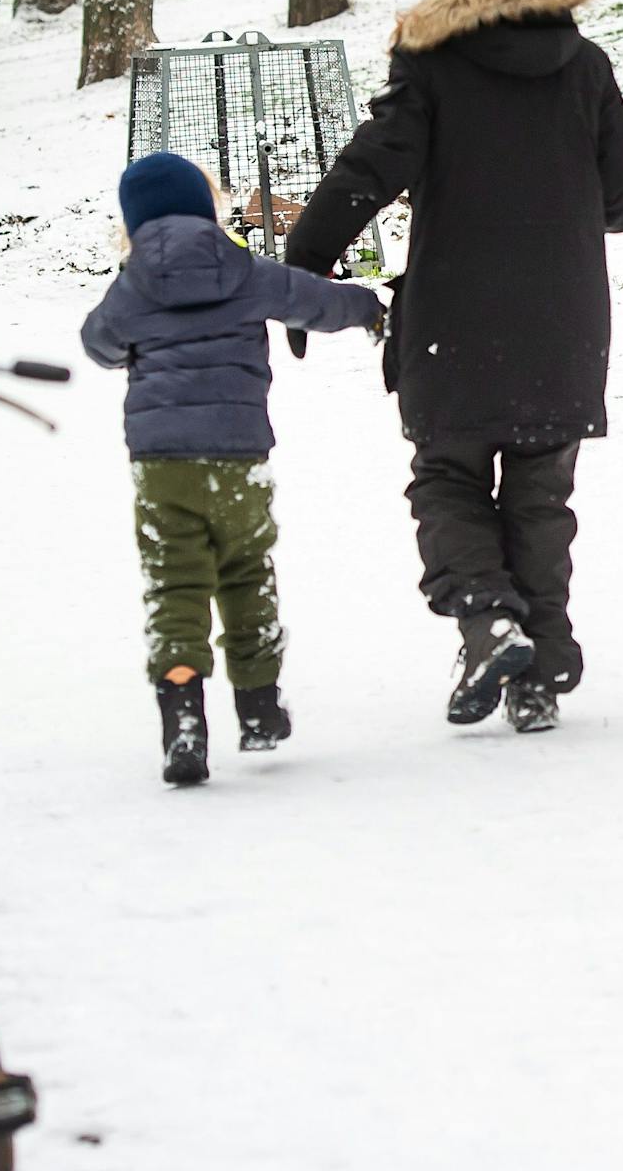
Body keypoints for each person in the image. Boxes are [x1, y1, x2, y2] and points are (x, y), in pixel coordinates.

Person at [286, 0, 623, 735]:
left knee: (447, 477)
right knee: (538, 489)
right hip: (563, 320)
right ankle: (539, 664)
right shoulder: (583, 62)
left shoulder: (431, 62)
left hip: (454, 315)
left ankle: (491, 622)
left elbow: (370, 169)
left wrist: (306, 261)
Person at [81, 152, 384, 785]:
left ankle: (184, 718)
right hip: (240, 456)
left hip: (162, 466)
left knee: (175, 584)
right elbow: (315, 303)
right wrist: (368, 307)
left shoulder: (132, 284)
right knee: (247, 571)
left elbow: (98, 343)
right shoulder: (244, 269)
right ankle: (260, 708)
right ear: (203, 207)